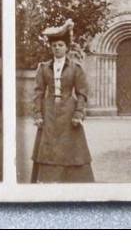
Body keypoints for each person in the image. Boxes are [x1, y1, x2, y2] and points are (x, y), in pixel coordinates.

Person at [30, 19, 94, 183]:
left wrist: (78, 113)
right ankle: (49, 181)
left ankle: (72, 181)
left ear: (66, 47)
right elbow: (38, 92)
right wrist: (37, 114)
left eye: (60, 45)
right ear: (51, 48)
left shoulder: (76, 68)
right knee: (49, 147)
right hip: (49, 112)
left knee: (71, 148)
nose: (57, 48)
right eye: (54, 46)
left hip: (69, 112)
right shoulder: (43, 68)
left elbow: (82, 93)